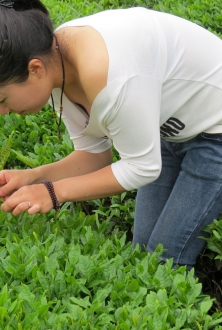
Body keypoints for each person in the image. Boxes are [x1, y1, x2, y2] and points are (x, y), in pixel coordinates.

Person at [0, 0, 222, 270]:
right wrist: (34, 177)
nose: (2, 112)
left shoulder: (111, 75)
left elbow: (142, 168)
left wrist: (54, 192)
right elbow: (94, 154)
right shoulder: (54, 61)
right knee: (143, 252)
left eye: (2, 99)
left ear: (35, 69)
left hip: (216, 132)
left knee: (165, 259)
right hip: (168, 130)